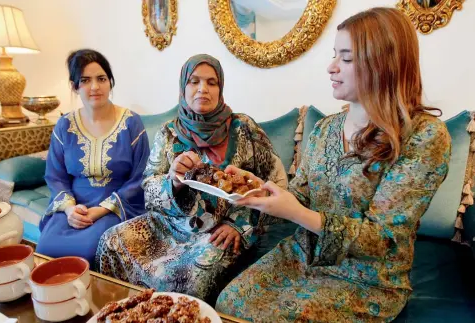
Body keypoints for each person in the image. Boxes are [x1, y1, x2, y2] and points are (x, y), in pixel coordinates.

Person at [216, 7, 451, 322]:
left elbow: (383, 238)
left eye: (347, 58)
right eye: (334, 56)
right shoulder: (325, 129)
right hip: (301, 255)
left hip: (366, 279)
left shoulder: (424, 136)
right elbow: (301, 193)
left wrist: (295, 212)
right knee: (229, 304)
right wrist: (259, 190)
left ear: (384, 63)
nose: (331, 67)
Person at [96, 54, 287, 303]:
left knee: (196, 275)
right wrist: (173, 181)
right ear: (183, 87)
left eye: (211, 82)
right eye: (194, 81)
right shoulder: (168, 132)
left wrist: (239, 226)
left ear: (221, 89)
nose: (202, 89)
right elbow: (148, 189)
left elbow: (277, 185)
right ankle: (126, 312)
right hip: (167, 225)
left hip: (219, 230)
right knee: (111, 240)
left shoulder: (245, 129)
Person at [36, 49, 150, 266]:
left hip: (118, 205)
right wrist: (70, 209)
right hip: (74, 205)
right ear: (75, 86)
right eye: (85, 80)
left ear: (110, 82)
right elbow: (55, 175)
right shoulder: (65, 126)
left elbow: (140, 177)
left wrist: (100, 210)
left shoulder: (130, 123)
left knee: (89, 249)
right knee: (45, 248)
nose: (95, 87)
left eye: (101, 79)